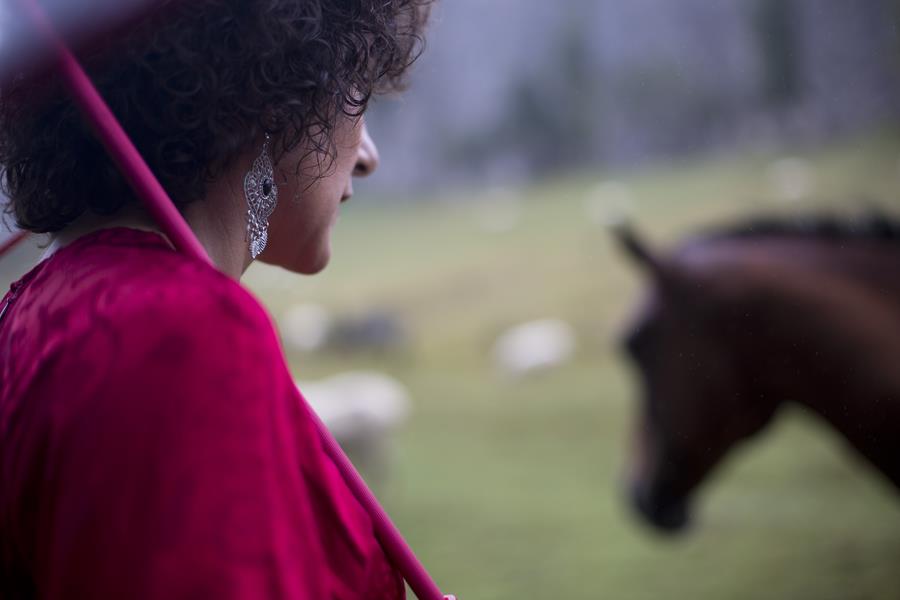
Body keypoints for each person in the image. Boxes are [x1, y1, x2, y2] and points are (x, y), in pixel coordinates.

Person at [0, 0, 431, 597]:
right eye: (355, 94)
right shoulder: (177, 334)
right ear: (276, 92)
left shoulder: (33, 313)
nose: (367, 156)